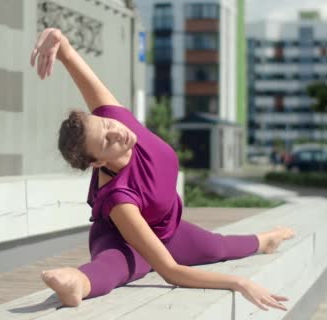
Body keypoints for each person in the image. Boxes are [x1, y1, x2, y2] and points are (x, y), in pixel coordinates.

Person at [30, 28, 295, 311]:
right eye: (107, 142)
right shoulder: (119, 198)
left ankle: (266, 240)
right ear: (97, 163)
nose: (117, 133)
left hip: (169, 229)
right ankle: (77, 282)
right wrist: (239, 283)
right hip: (126, 240)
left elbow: (71, 57)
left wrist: (61, 42)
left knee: (218, 248)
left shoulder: (115, 119)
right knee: (115, 267)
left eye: (107, 126)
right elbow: (170, 271)